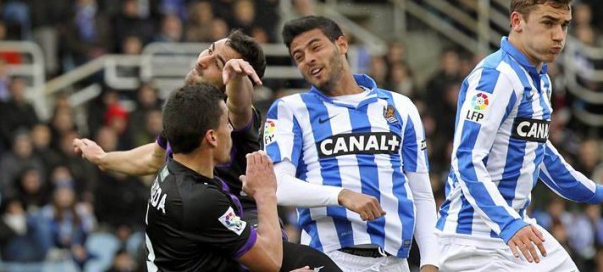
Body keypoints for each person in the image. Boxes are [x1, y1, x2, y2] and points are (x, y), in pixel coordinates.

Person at [436, 0, 601, 271]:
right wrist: (508, 223)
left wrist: (598, 194)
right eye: (548, 23)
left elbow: (542, 155)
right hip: (474, 240)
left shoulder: (540, 81)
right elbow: (466, 161)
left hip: (518, 231)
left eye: (564, 25)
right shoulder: (496, 77)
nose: (559, 36)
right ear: (517, 22)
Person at [263, 16, 439, 272]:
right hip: (331, 260)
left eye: (315, 47)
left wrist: (431, 262)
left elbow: (421, 194)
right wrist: (341, 196)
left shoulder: (400, 106)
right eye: (298, 56)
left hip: (396, 262)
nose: (308, 59)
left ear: (342, 45)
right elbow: (278, 186)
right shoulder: (291, 109)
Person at [74, 29, 266, 217]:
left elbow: (240, 105)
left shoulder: (235, 117)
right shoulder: (185, 110)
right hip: (197, 224)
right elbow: (154, 158)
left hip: (243, 225)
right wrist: (103, 159)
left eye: (217, 63)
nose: (201, 61)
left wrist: (238, 76)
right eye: (209, 50)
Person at [144, 83, 283, 271]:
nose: (231, 130)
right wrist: (265, 193)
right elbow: (271, 262)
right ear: (212, 137)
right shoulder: (200, 199)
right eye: (227, 122)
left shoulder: (173, 166)